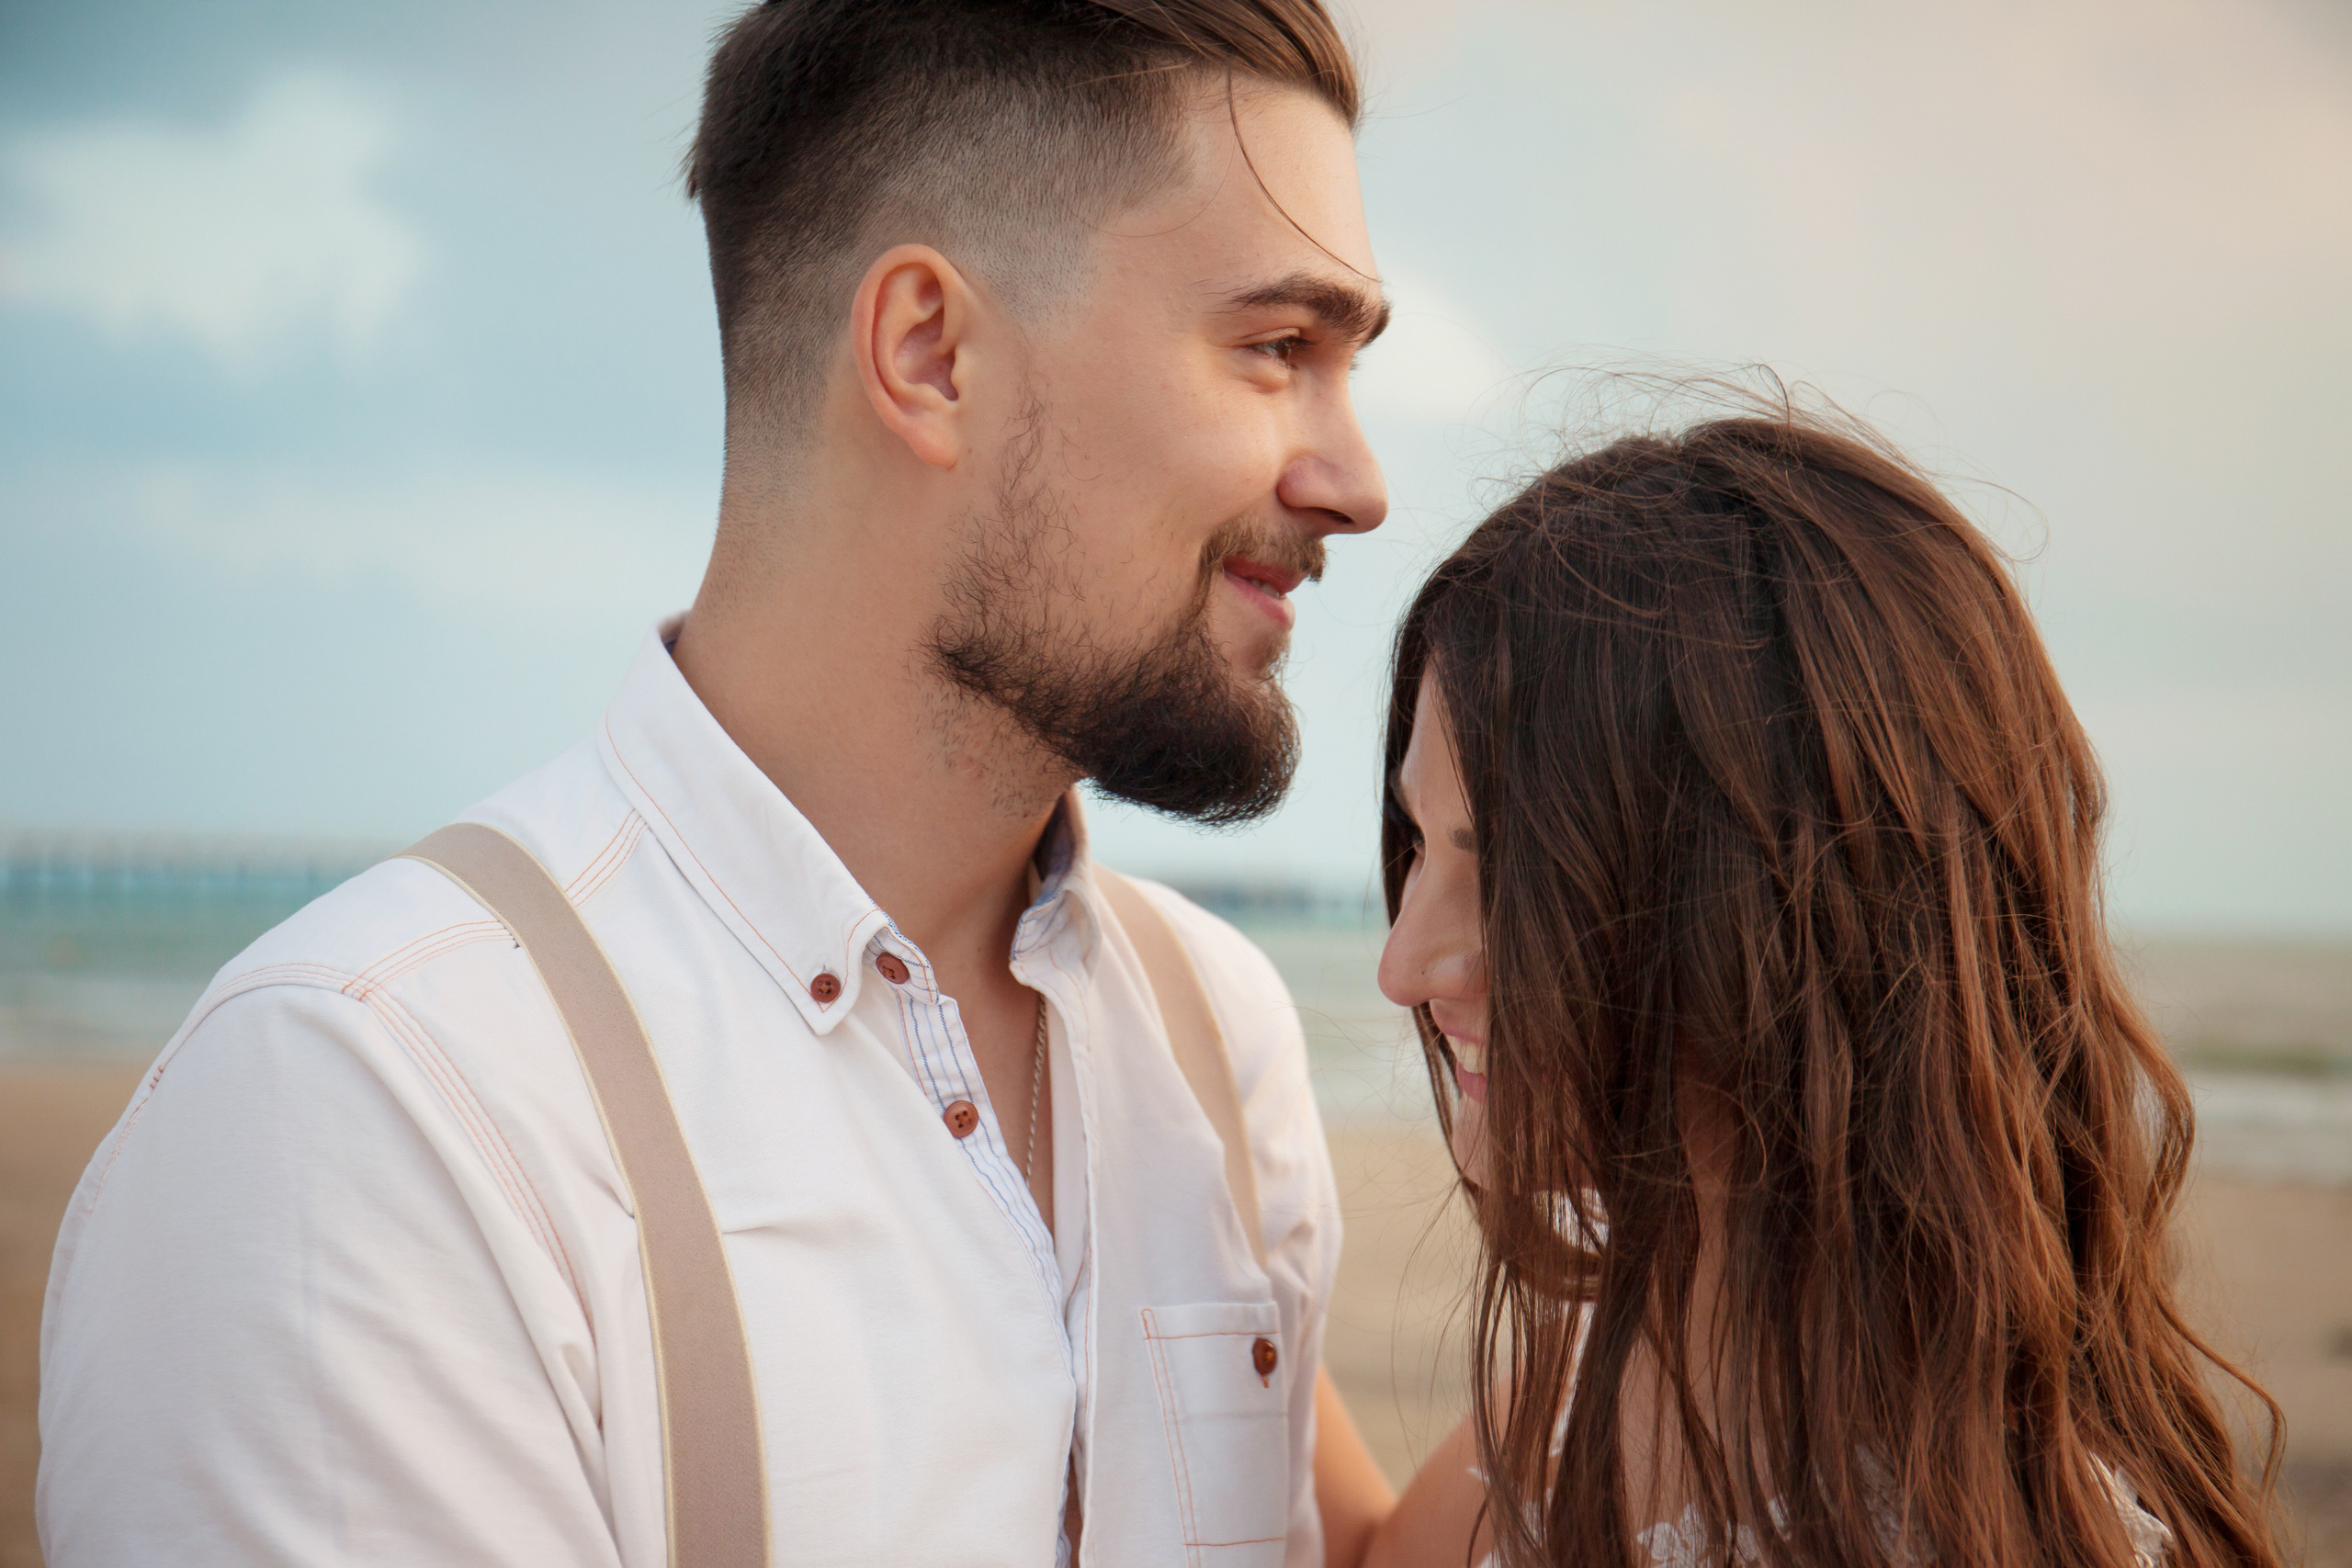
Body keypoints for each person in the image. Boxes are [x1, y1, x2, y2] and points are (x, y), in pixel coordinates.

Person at [37, 2, 1401, 1563]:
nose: (1358, 481)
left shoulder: (1217, 1040)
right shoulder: (376, 1111)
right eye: (1280, 349)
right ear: (929, 352)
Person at [1360, 407, 2284, 1568]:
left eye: (1507, 865)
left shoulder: (1940, 1520)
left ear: (1757, 918)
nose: (1404, 965)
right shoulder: (1619, 1352)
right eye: (1419, 841)